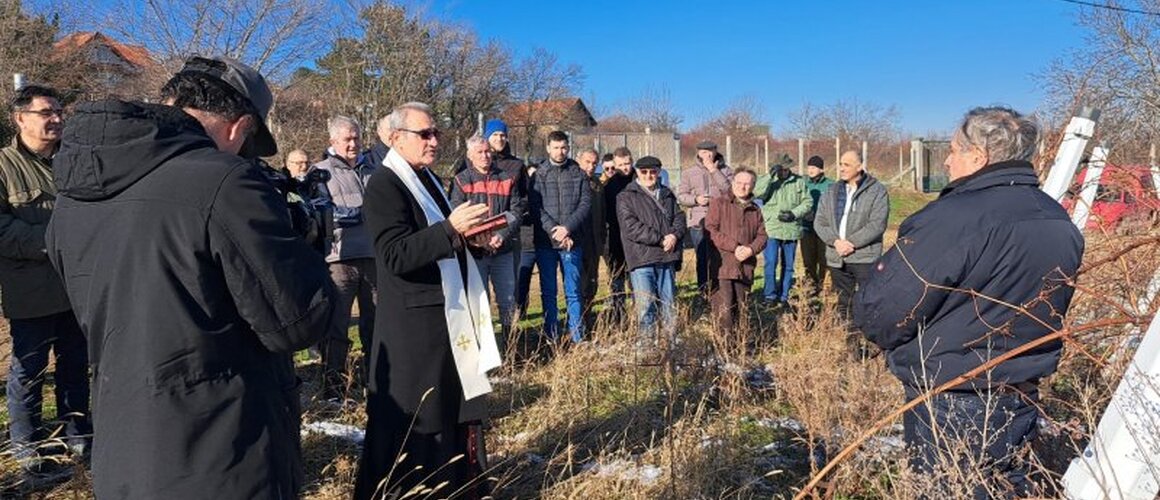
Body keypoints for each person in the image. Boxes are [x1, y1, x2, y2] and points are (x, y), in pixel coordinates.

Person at [46, 55, 335, 498]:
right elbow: (296, 322)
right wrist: (304, 248)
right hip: (223, 445)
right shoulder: (224, 182)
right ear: (240, 127)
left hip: (123, 436)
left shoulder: (75, 191)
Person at [855, 106, 1083, 497]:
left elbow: (889, 305)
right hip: (1021, 388)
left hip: (954, 392)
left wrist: (878, 332)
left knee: (947, 487)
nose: (946, 158)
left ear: (979, 157)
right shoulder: (1057, 218)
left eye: (954, 149)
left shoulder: (954, 218)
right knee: (1001, 486)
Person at [355, 102, 499, 499]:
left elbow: (440, 240)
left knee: (450, 410)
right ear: (396, 138)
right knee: (422, 419)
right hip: (413, 329)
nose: (435, 140)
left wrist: (474, 240)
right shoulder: (385, 183)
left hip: (445, 319)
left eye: (436, 133)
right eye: (425, 134)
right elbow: (395, 255)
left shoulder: (429, 179)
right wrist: (452, 230)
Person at [0, 84, 91, 473]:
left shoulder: (74, 161)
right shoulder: (3, 166)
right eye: (46, 112)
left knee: (76, 364)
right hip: (31, 289)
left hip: (77, 287)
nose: (56, 118)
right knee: (29, 369)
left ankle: (79, 435)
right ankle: (27, 445)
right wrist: (54, 241)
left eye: (59, 111)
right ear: (20, 118)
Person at [312, 115, 377, 400]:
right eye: (347, 139)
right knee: (337, 327)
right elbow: (325, 214)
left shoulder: (373, 170)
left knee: (375, 325)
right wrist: (364, 214)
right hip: (339, 260)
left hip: (373, 257)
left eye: (356, 137)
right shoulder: (321, 172)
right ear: (333, 141)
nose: (353, 143)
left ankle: (376, 382)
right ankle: (334, 389)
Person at [450, 135, 525, 347]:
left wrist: (501, 235)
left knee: (508, 301)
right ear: (470, 156)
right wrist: (477, 238)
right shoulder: (461, 180)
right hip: (476, 253)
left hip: (504, 250)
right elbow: (457, 213)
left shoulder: (506, 178)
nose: (485, 156)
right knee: (479, 303)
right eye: (480, 153)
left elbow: (516, 211)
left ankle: (512, 350)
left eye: (487, 152)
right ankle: (484, 350)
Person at [616, 156, 685, 354]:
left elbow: (679, 218)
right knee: (646, 304)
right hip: (642, 257)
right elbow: (631, 227)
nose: (649, 175)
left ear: (659, 172)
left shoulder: (667, 194)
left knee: (669, 303)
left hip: (667, 256)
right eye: (644, 172)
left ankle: (671, 342)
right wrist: (661, 238)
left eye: (653, 171)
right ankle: (647, 345)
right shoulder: (626, 196)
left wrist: (674, 235)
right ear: (637, 172)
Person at [528, 130, 590, 342]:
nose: (560, 151)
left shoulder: (578, 173)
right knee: (549, 291)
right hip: (547, 243)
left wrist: (568, 228)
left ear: (568, 147)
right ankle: (551, 335)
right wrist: (556, 230)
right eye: (556, 147)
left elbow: (585, 204)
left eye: (563, 147)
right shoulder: (539, 175)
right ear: (548, 148)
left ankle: (577, 336)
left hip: (572, 241)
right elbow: (535, 207)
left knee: (573, 291)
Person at [813, 150, 889, 320]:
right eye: (840, 164)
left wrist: (851, 243)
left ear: (860, 166)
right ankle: (849, 337)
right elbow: (820, 222)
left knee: (868, 299)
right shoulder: (831, 191)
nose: (841, 168)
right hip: (836, 256)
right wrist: (836, 242)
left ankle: (867, 337)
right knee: (843, 301)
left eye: (846, 164)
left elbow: (877, 224)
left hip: (864, 257)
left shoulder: (877, 191)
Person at [705, 167, 767, 334]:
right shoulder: (719, 203)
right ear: (732, 183)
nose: (742, 187)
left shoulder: (755, 209)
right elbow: (711, 230)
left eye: (747, 184)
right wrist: (735, 247)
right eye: (739, 182)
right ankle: (723, 353)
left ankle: (740, 350)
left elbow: (762, 236)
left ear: (753, 186)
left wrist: (750, 249)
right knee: (724, 313)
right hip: (722, 267)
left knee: (742, 312)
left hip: (745, 268)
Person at [677, 140, 733, 293]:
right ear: (698, 153)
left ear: (716, 151)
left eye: (710, 151)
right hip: (698, 221)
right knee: (702, 258)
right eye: (703, 152)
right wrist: (696, 200)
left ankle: (720, 290)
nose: (706, 155)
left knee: (720, 256)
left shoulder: (726, 171)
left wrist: (714, 170)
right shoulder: (689, 172)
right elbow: (681, 196)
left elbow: (729, 191)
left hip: (722, 221)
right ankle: (704, 291)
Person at [756, 161, 813, 307]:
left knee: (788, 265)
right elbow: (756, 192)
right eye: (781, 169)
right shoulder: (768, 181)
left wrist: (794, 214)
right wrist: (769, 176)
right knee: (770, 263)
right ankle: (769, 295)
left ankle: (784, 295)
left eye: (787, 169)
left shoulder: (799, 181)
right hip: (772, 228)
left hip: (791, 228)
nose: (784, 172)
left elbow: (808, 202)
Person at [601, 147, 636, 323]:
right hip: (616, 240)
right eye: (620, 165)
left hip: (638, 240)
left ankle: (642, 318)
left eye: (627, 163)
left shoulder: (640, 179)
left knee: (637, 282)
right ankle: (620, 318)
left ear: (632, 161)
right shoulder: (609, 186)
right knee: (617, 281)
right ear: (615, 164)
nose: (625, 168)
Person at [576, 148, 605, 332]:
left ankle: (588, 317)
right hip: (578, 240)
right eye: (587, 162)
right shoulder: (573, 180)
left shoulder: (597, 184)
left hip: (595, 241)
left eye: (594, 163)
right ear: (579, 160)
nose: (591, 166)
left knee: (592, 283)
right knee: (578, 283)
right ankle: (577, 323)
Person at [800, 155, 833, 296]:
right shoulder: (803, 183)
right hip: (807, 227)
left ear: (821, 169)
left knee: (823, 258)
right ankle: (811, 285)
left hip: (824, 228)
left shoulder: (831, 185)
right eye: (809, 167)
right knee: (808, 258)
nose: (811, 170)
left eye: (814, 167)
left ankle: (824, 286)